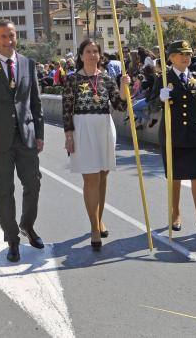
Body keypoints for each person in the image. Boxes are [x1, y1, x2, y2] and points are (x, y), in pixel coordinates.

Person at [0, 18, 44, 263]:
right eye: (3, 36)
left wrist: (40, 134)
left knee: (33, 184)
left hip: (26, 137)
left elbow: (35, 102)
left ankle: (27, 224)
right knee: (5, 191)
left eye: (12, 35)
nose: (9, 40)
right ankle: (12, 239)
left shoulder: (28, 64)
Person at [62, 39, 130, 249]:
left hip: (104, 127)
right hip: (82, 128)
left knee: (102, 177)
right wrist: (69, 136)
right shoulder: (72, 80)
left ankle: (99, 218)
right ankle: (93, 227)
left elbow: (120, 106)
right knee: (90, 179)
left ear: (100, 56)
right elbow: (67, 109)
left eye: (95, 52)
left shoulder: (107, 78)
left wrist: (124, 86)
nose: (92, 55)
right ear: (81, 56)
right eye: (88, 51)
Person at [148, 40, 196, 235]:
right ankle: (175, 214)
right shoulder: (162, 78)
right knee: (174, 177)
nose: (186, 57)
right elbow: (151, 107)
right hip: (173, 134)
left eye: (188, 54)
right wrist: (159, 99)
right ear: (171, 57)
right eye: (181, 54)